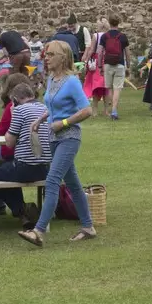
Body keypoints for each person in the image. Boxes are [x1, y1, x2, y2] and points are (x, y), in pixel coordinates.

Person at [18, 40, 96, 246]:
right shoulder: (52, 79)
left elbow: (87, 110)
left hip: (69, 138)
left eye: (51, 54)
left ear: (62, 58)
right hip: (53, 138)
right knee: (73, 184)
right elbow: (52, 106)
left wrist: (62, 123)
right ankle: (88, 227)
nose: (46, 57)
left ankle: (38, 231)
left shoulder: (71, 81)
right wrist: (40, 120)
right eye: (46, 54)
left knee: (52, 181)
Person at [0, 81, 52, 221]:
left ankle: (20, 209)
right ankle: (23, 211)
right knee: (7, 169)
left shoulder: (19, 111)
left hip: (25, 167)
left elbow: (9, 143)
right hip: (46, 168)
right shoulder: (45, 108)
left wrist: (13, 113)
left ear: (15, 100)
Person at [99, 16, 129, 120]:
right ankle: (114, 111)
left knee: (109, 88)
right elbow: (127, 53)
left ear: (110, 23)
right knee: (117, 88)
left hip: (107, 64)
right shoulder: (123, 36)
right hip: (119, 64)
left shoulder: (104, 36)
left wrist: (99, 65)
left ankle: (110, 109)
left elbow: (100, 52)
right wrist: (128, 65)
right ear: (118, 23)